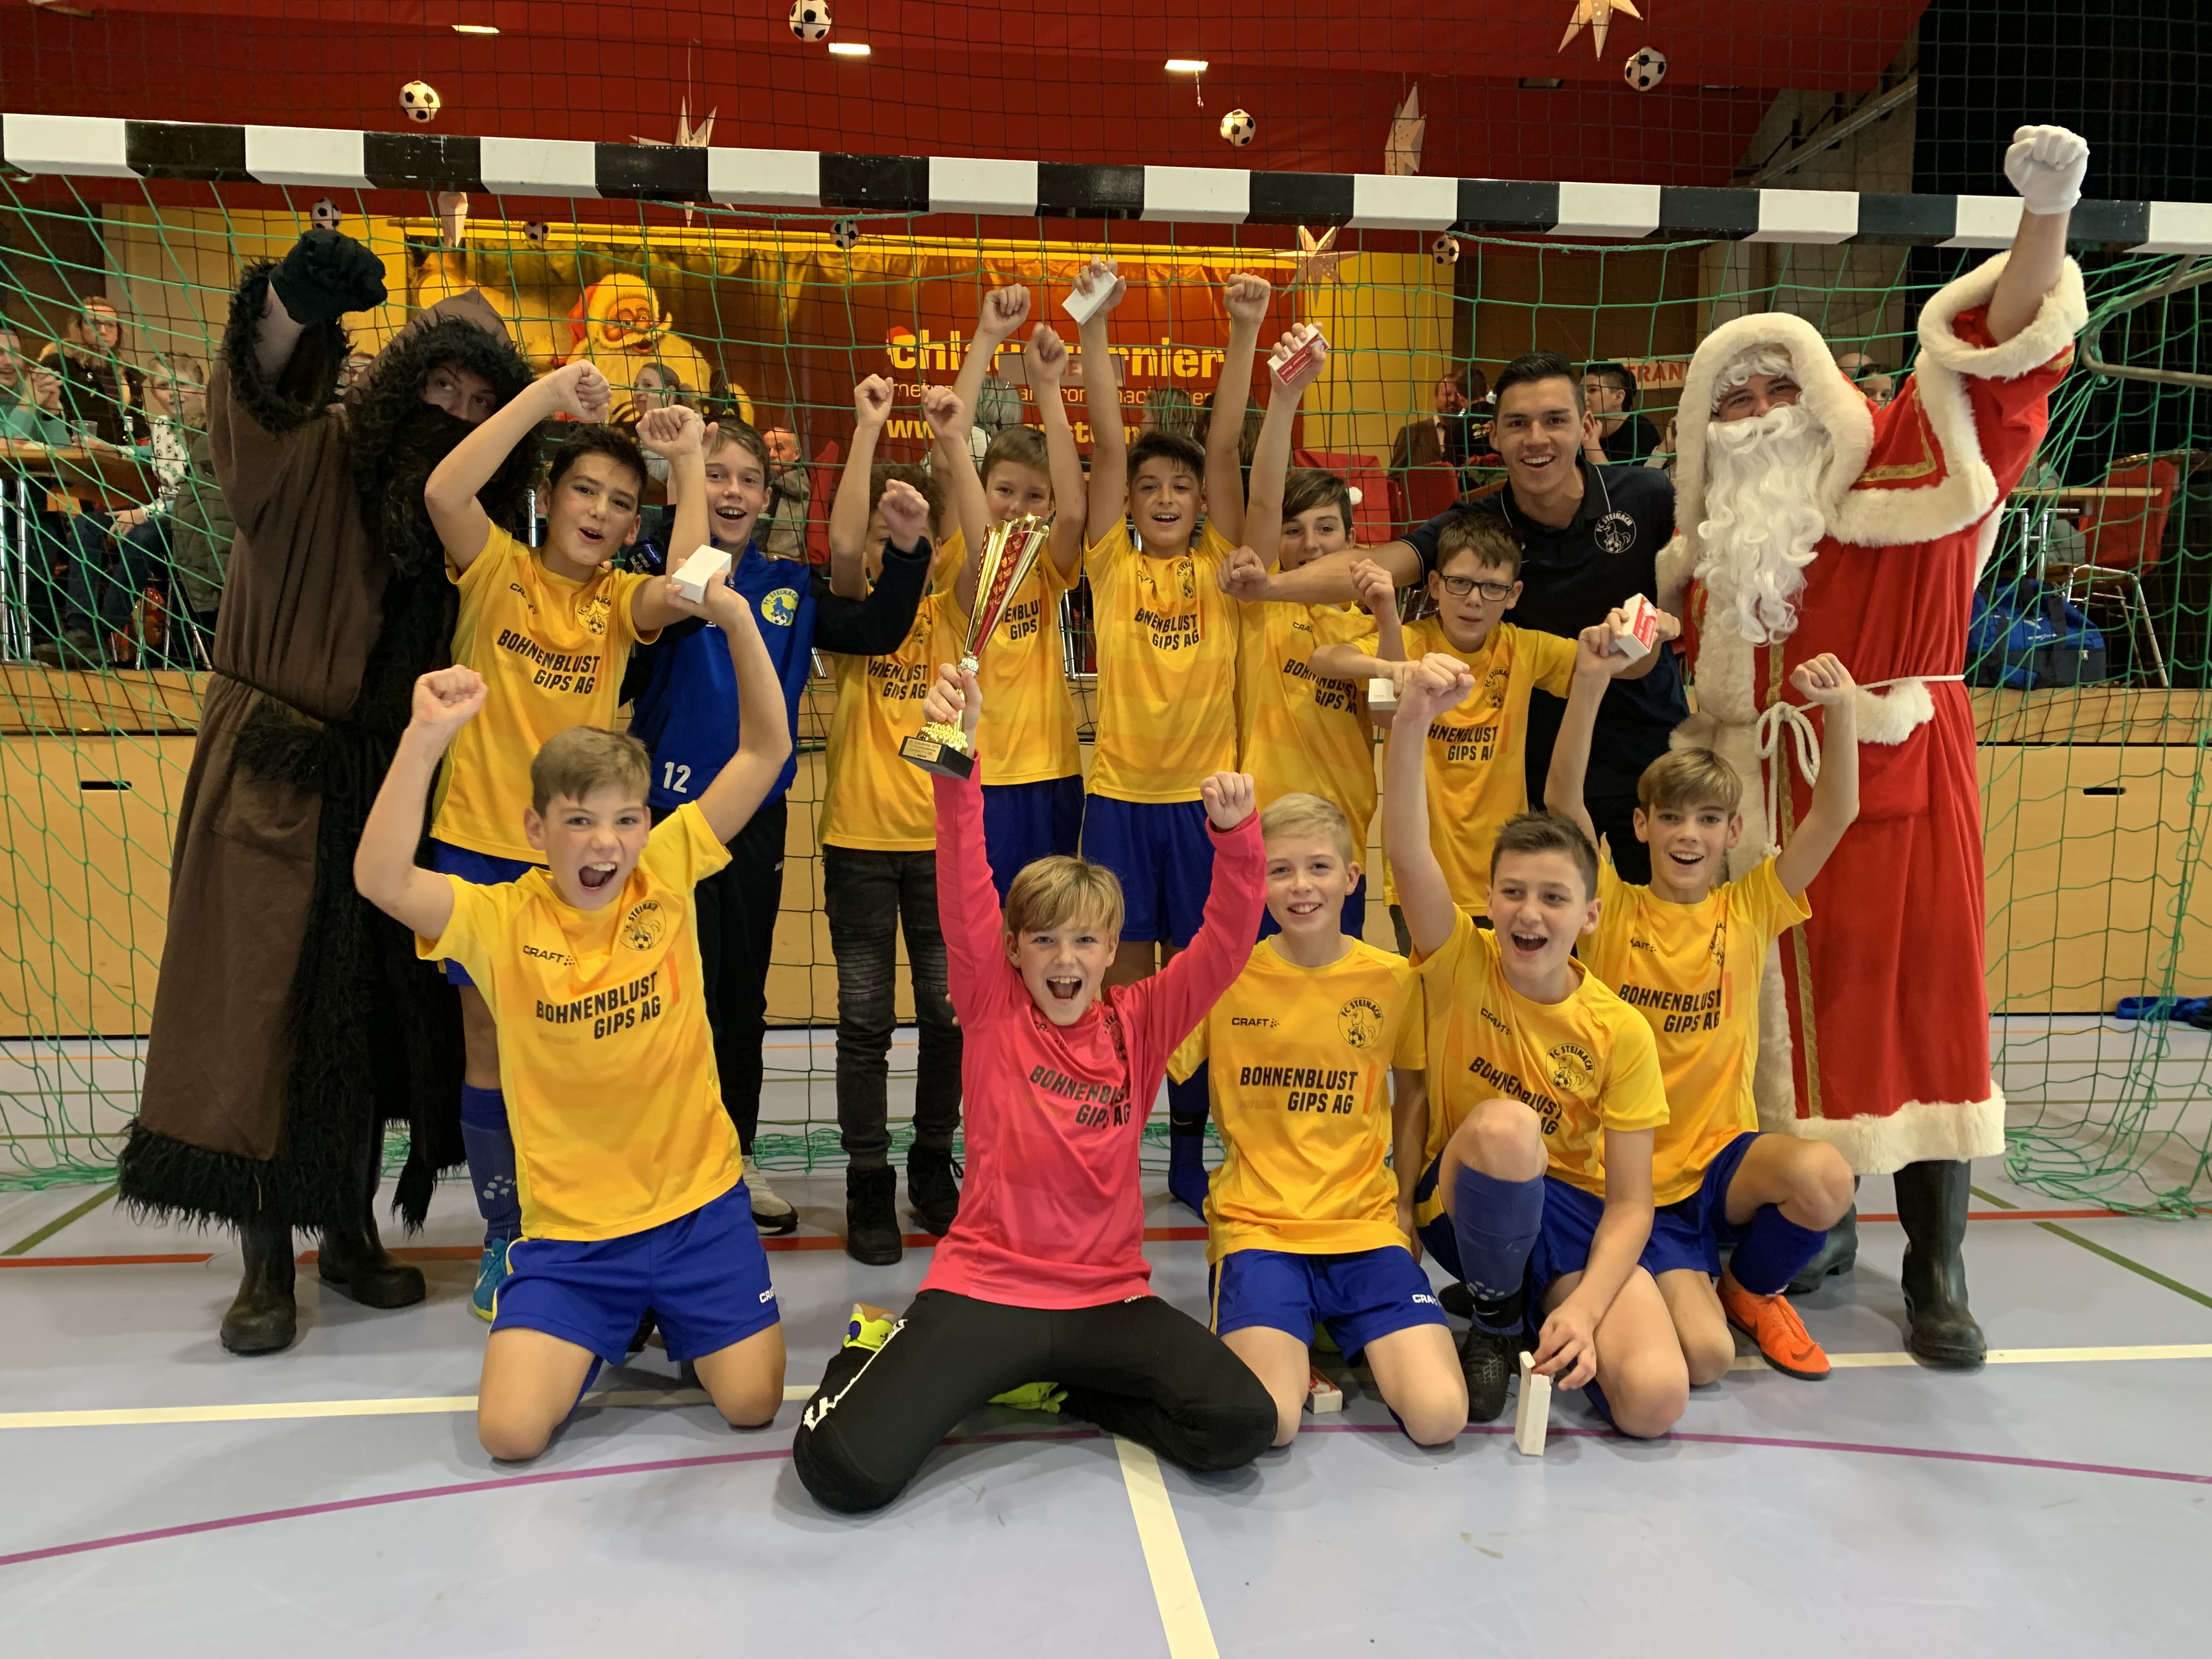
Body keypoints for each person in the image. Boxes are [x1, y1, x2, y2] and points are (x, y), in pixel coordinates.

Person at [1652, 124, 2092, 1367]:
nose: (1756, 418)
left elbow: (1998, 364)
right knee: (1784, 1028)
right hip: (1756, 814)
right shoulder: (1712, 553)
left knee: (1918, 1014)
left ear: (1825, 397)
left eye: (1776, 392)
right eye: (1731, 402)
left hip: (1896, 791)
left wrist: (2046, 217)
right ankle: (1819, 1214)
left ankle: (1938, 1267)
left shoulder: (1906, 469)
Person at [117, 228, 536, 1354]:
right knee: (265, 1011)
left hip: (393, 784)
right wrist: (289, 313)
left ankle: (347, 1230)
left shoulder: (468, 523)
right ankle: (266, 1258)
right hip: (281, 769)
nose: (455, 410)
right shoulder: (321, 454)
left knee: (368, 1020)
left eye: (480, 401)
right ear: (403, 379)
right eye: (441, 385)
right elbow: (260, 407)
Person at [790, 663, 1277, 1513]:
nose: (1064, 959)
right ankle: (877, 1351)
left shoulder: (1143, 1019)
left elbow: (1227, 944)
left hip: (1108, 1298)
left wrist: (1237, 840)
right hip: (988, 1287)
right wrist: (959, 754)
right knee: (845, 1473)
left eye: (1086, 941)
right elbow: (963, 871)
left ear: (1112, 950)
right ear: (1014, 950)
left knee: (1240, 1427)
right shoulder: (992, 1003)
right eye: (1044, 940)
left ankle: (1057, 1387)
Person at [352, 574, 794, 1459]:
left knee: (752, 1405)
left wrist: (739, 621)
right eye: (581, 821)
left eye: (626, 820)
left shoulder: (666, 869)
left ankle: (666, 1310)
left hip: (697, 1212)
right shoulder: (500, 918)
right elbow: (382, 878)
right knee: (510, 1433)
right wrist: (424, 737)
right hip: (573, 1237)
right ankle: (607, 1320)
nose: (606, 843)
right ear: (536, 829)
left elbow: (765, 750)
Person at [422, 362, 706, 1321]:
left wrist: (688, 462)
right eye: (585, 490)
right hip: (478, 845)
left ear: (632, 527)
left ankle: (602, 1220)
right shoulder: (496, 566)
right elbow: (444, 490)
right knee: (491, 1043)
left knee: (595, 1044)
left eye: (621, 503)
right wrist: (545, 396)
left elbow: (691, 586)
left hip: (583, 864)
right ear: (550, 496)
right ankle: (508, 1232)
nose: (600, 511)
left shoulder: (618, 603)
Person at [624, 418, 931, 1238]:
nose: (731, 491)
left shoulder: (788, 584)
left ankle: (735, 1155)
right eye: (715, 474)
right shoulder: (655, 573)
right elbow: (668, 620)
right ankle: (655, 1165)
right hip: (661, 823)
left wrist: (907, 552)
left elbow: (876, 631)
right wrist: (680, 505)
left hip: (754, 824)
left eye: (746, 479)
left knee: (739, 997)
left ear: (768, 496)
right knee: (662, 995)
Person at [1222, 349, 1686, 885]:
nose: (1536, 438)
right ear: (1494, 435)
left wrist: (1667, 625)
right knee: (1558, 927)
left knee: (1666, 921)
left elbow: (1687, 593)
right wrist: (1271, 587)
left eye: (1555, 420)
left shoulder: (1647, 496)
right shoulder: (1476, 525)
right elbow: (1373, 565)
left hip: (1647, 754)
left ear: (1585, 426)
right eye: (1518, 423)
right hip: (1539, 769)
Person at [1545, 638, 1860, 1383]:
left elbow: (1836, 814)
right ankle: (1620, 1289)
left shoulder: (1749, 908)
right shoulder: (1609, 908)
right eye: (1673, 818)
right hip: (1623, 1173)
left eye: (1709, 819)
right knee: (1704, 1360)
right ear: (1643, 826)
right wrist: (1589, 682)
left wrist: (1843, 711)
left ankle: (1752, 1290)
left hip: (1718, 1163)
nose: (1690, 835)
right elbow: (1562, 800)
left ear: (1731, 833)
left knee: (1826, 1177)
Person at [1386, 653, 1682, 1435]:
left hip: (1572, 1215)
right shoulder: (1462, 960)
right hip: (1470, 1193)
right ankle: (1494, 1319)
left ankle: (1540, 1304)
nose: (1529, 912)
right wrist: (1413, 720)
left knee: (1655, 1400)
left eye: (1554, 897)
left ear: (1590, 915)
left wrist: (1584, 1310)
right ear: (1488, 898)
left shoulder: (1620, 1029)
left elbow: (1631, 1203)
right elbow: (1408, 852)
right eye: (1513, 892)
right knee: (1508, 1128)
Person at [1167, 792, 1463, 1448]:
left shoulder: (1393, 979)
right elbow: (1142, 1049)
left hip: (1362, 1226)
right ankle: (1300, 1324)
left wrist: (1405, 1208)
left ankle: (1326, 1321)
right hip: (1261, 1227)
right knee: (1270, 1423)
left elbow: (1413, 1095)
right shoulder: (1225, 975)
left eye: (1319, 867)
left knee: (1440, 1416)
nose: (1301, 886)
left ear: (1353, 878)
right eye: (1280, 870)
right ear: (1257, 881)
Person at [1072, 262, 1267, 1210]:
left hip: (1202, 810)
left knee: (1196, 985)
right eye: (1148, 486)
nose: (1160, 496)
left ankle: (1191, 1146)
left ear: (1197, 503)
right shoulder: (1110, 564)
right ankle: (1113, 1136)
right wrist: (1095, 328)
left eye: (1177, 487)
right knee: (1117, 984)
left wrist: (1244, 331)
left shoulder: (1224, 567)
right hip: (1118, 802)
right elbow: (1109, 445)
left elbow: (1224, 447)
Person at [1311, 515, 1674, 945]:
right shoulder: (1409, 643)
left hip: (1509, 885)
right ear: (1434, 585)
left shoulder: (1523, 648)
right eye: (1460, 583)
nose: (1474, 600)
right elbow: (1327, 661)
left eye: (1492, 588)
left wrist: (1650, 633)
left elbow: (1612, 664)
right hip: (1421, 881)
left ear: (1514, 595)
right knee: (1434, 990)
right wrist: (1389, 664)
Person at [817, 391, 983, 1263]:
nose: (891, 548)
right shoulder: (856, 613)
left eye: (909, 533)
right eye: (886, 536)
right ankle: (867, 1180)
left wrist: (952, 450)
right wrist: (868, 430)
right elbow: (846, 548)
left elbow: (984, 548)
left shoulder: (952, 605)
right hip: (858, 843)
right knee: (864, 1022)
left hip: (938, 846)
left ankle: (930, 1165)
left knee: (948, 1018)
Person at [943, 286, 1089, 890]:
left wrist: (1048, 387)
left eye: (1034, 496)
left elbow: (1075, 513)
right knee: (988, 920)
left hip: (1053, 768)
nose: (1017, 506)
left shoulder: (1046, 563)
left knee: (1051, 919)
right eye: (1003, 491)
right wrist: (986, 337)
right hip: (984, 769)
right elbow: (948, 444)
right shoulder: (961, 547)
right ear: (980, 489)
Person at [1234, 331, 1378, 940]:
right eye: (1294, 531)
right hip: (1261, 843)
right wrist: (1285, 396)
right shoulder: (1260, 608)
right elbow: (1263, 501)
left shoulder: (1373, 626)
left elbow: (1386, 705)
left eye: (1326, 529)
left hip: (1338, 850)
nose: (1310, 544)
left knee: (1333, 983)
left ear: (1351, 539)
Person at [40, 295, 148, 447]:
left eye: (110, 325)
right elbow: (45, 415)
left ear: (118, 331)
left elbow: (138, 426)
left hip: (120, 457)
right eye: (94, 323)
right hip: (71, 453)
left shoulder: (129, 375)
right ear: (79, 328)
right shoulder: (59, 365)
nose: (103, 331)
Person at [1581, 362, 1662, 466]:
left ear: (1619, 397)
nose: (1583, 397)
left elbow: (1615, 479)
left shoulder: (1641, 430)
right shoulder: (1576, 427)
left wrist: (1591, 442)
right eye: (1580, 390)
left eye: (1593, 390)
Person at [755, 423, 810, 563]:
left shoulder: (809, 488)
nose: (772, 455)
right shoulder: (753, 483)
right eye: (767, 449)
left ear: (797, 454)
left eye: (779, 448)